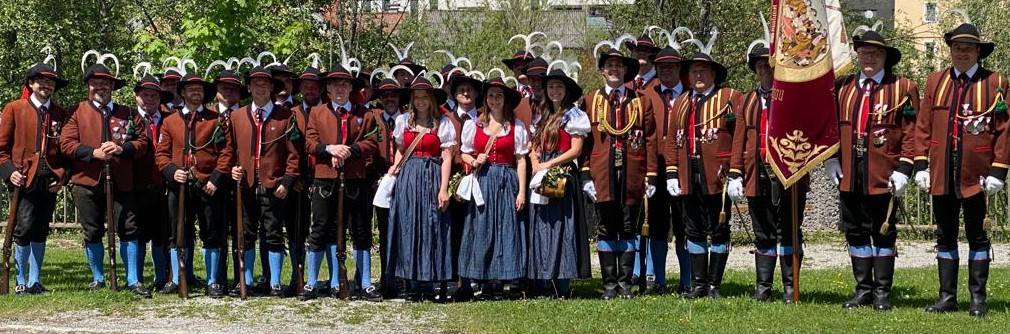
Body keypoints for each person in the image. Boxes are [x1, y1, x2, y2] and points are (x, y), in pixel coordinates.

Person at [913, 22, 1008, 317]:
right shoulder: (935, 81)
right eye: (957, 48)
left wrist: (999, 169)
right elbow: (923, 126)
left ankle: (977, 298)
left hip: (977, 175)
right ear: (950, 50)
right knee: (945, 235)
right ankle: (947, 297)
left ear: (978, 51)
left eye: (968, 49)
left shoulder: (996, 83)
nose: (962, 53)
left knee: (978, 235)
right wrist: (920, 164)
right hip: (942, 171)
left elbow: (1005, 130)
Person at [60, 59, 150, 295]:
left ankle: (132, 279)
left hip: (122, 180)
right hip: (87, 180)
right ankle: (98, 278)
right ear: (88, 85)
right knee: (92, 230)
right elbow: (66, 144)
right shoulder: (75, 112)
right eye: (96, 83)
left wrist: (122, 149)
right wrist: (93, 153)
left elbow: (142, 143)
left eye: (106, 83)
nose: (101, 87)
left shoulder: (128, 113)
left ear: (112, 86)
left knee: (129, 228)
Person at [663, 45, 743, 299]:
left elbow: (739, 137)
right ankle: (698, 285)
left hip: (718, 174)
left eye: (703, 71)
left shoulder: (730, 98)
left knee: (718, 228)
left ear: (713, 75)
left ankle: (714, 285)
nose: (698, 75)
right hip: (689, 172)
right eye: (694, 71)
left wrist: (735, 172)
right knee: (692, 228)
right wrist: (672, 172)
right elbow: (672, 140)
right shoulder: (682, 102)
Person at [579, 46, 657, 299]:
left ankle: (625, 283)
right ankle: (609, 283)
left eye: (619, 66)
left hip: (633, 171)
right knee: (605, 227)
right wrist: (585, 175)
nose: (614, 70)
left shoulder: (640, 100)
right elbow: (585, 141)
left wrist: (652, 175)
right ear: (602, 71)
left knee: (627, 226)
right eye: (609, 66)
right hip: (602, 173)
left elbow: (651, 139)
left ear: (625, 70)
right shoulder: (590, 100)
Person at [301, 66, 379, 301]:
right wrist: (329, 149)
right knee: (320, 230)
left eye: (345, 84)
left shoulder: (364, 114)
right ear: (328, 87)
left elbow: (371, 142)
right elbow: (310, 143)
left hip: (355, 178)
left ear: (351, 88)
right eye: (335, 84)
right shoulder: (317, 112)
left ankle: (365, 283)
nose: (340, 89)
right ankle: (312, 283)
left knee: (360, 231)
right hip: (324, 178)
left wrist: (349, 151)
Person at [155, 74, 232, 297]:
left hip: (207, 184)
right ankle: (179, 277)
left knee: (211, 232)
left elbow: (226, 153)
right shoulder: (170, 121)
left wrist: (215, 179)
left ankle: (212, 281)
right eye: (191, 89)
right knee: (176, 234)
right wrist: (171, 171)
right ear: (183, 93)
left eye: (199, 89)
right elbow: (161, 154)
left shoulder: (216, 119)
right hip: (178, 185)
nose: (195, 92)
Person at [226, 66, 300, 296]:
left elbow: (294, 155)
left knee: (274, 232)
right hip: (245, 184)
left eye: (265, 84)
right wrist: (232, 169)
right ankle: (245, 279)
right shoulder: (236, 116)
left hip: (273, 184)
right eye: (256, 84)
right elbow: (229, 150)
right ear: (248, 87)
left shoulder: (287, 117)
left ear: (271, 88)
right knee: (245, 233)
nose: (260, 88)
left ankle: (275, 281)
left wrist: (286, 182)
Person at [385, 76, 457, 302]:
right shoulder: (403, 121)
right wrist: (394, 168)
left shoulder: (442, 123)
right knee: (409, 225)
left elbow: (446, 157)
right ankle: (411, 282)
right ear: (412, 100)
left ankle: (428, 282)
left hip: (432, 176)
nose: (421, 101)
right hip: (408, 177)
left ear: (432, 99)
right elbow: (399, 149)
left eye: (425, 97)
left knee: (431, 226)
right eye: (417, 97)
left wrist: (443, 189)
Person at [0, 62, 69, 295]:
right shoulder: (14, 108)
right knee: (24, 228)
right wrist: (10, 172)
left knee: (41, 229)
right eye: (42, 81)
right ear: (31, 84)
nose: (46, 85)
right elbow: (1, 148)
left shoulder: (60, 113)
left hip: (49, 180)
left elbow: (66, 151)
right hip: (23, 179)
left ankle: (34, 280)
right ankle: (20, 280)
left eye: (51, 82)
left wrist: (62, 177)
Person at [458, 77, 529, 299]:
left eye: (499, 96)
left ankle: (502, 281)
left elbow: (521, 160)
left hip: (507, 181)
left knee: (506, 227)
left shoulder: (515, 126)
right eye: (490, 95)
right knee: (482, 228)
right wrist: (472, 160)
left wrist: (522, 191)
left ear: (505, 99)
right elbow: (463, 152)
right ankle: (484, 281)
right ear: (485, 99)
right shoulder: (474, 124)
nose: (494, 100)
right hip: (484, 181)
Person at [526, 64, 591, 298]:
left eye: (558, 87)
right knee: (542, 225)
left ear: (566, 90)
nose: (554, 91)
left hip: (561, 174)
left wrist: (548, 165)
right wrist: (535, 162)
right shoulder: (542, 115)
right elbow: (534, 144)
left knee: (561, 227)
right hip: (541, 172)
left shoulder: (574, 115)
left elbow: (576, 150)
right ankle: (543, 280)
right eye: (551, 86)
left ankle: (561, 283)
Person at [131, 73, 175, 293]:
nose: (149, 99)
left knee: (162, 234)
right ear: (137, 96)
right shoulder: (128, 118)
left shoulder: (170, 118)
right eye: (145, 95)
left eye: (154, 96)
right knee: (136, 233)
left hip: (163, 185)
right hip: (135, 185)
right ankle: (135, 278)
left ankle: (161, 277)